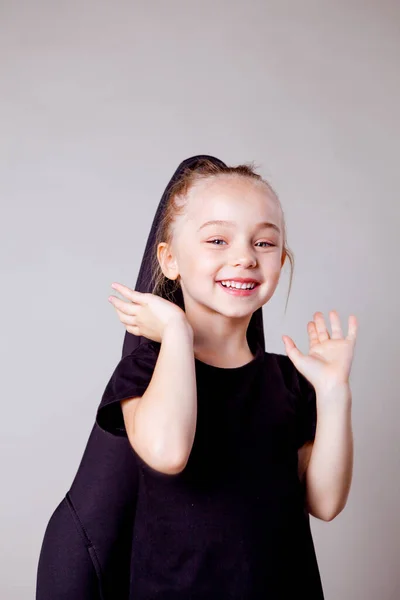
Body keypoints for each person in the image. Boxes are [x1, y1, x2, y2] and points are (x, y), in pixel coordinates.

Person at [36, 155, 357, 599]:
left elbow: (324, 502)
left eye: (264, 244)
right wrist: (176, 331)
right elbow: (168, 452)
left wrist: (335, 392)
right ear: (169, 260)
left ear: (281, 262)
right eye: (218, 240)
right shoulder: (145, 370)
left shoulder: (288, 379)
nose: (244, 257)